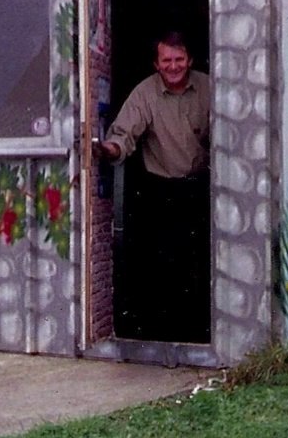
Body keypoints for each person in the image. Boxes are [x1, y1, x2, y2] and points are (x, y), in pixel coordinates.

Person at [98, 31, 210, 342]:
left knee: (200, 264)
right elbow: (123, 133)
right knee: (160, 269)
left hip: (200, 189)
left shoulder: (209, 87)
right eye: (166, 61)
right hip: (159, 193)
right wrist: (109, 150)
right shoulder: (144, 93)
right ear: (156, 64)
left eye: (179, 59)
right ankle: (161, 336)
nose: (173, 66)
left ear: (189, 60)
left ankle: (198, 334)